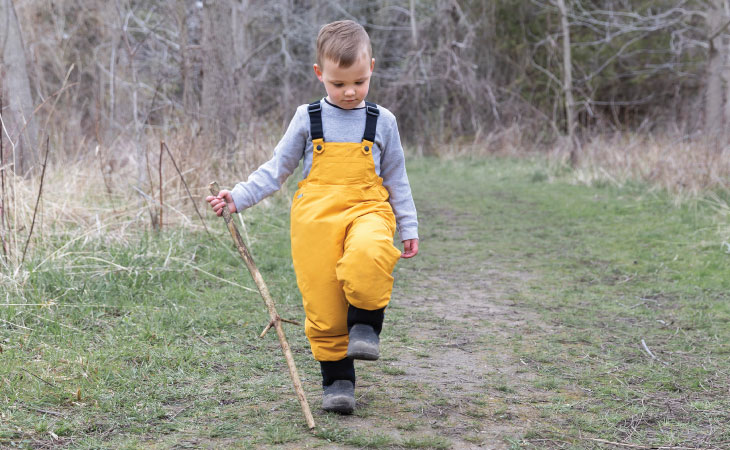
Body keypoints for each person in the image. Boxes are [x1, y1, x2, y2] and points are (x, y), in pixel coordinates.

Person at [206, 20, 418, 415]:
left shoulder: (382, 121)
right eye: (339, 84)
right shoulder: (307, 118)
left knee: (371, 252)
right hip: (315, 221)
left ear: (371, 66)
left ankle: (366, 325)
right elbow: (276, 170)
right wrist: (237, 197)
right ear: (320, 74)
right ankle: (338, 381)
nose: (350, 91)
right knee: (323, 307)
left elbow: (397, 178)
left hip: (367, 207)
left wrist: (408, 225)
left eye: (359, 81)